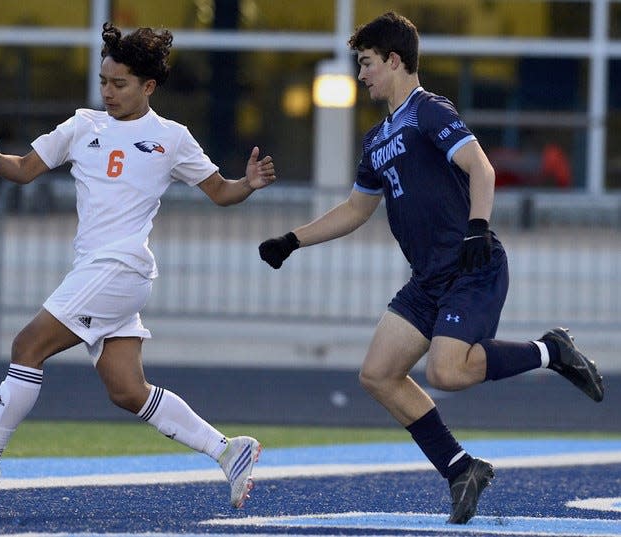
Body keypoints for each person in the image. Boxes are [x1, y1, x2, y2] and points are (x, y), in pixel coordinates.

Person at [258, 11, 604, 525]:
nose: (361, 75)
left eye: (367, 63)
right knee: (377, 374)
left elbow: (481, 167)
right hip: (426, 281)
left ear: (395, 61)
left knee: (446, 370)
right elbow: (356, 209)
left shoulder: (429, 112)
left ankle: (550, 351)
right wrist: (293, 240)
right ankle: (461, 467)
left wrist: (478, 228)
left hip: (471, 267)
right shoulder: (376, 140)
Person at [0, 22, 273, 509]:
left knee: (28, 344)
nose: (108, 91)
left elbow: (220, 192)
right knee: (128, 391)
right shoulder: (83, 125)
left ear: (148, 86)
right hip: (98, 272)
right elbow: (24, 169)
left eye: (119, 83)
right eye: (104, 80)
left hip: (120, 266)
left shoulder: (171, 137)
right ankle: (228, 449)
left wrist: (248, 183)